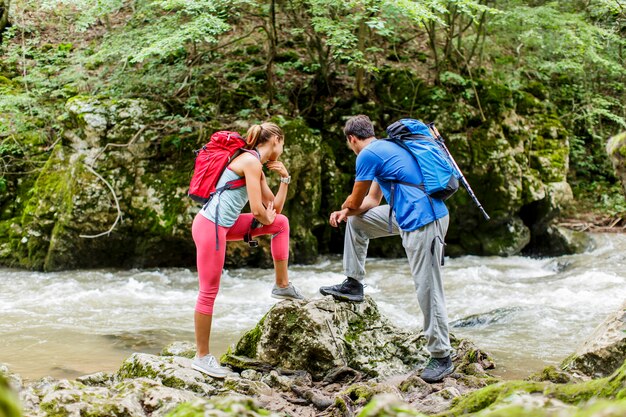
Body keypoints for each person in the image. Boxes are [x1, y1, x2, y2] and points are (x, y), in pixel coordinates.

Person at [319, 115, 453, 383]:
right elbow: (370, 201)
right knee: (357, 222)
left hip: (424, 219)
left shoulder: (367, 155)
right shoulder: (386, 150)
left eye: (350, 143)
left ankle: (441, 356)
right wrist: (347, 213)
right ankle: (353, 283)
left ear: (352, 139)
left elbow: (356, 198)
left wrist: (343, 207)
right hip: (406, 215)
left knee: (427, 286)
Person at [191, 122, 304, 378]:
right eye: (282, 144)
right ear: (275, 140)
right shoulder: (250, 162)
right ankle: (201, 356)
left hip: (225, 225)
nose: (282, 149)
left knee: (281, 225)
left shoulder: (257, 167)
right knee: (208, 292)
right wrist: (265, 217)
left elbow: (274, 208)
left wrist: (284, 179)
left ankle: (282, 285)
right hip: (211, 226)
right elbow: (257, 210)